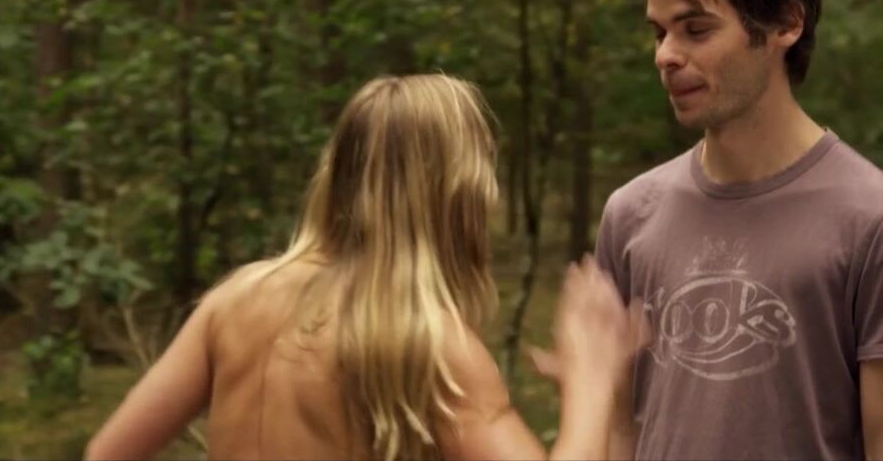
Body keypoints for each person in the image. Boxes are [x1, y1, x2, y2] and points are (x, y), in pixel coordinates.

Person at [85, 74, 645, 460]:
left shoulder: (233, 301)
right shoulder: (428, 343)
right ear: (458, 197)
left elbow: (107, 452)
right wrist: (591, 380)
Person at [577, 0, 883, 459]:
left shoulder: (869, 217)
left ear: (786, 23)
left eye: (696, 30)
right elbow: (618, 433)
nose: (665, 55)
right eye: (659, 32)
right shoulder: (630, 214)